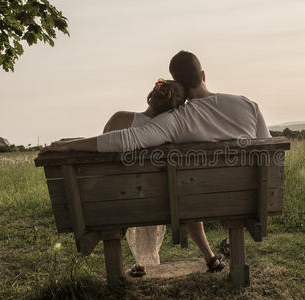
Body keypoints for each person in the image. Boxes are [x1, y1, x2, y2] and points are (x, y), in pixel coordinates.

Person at [40, 50, 271, 272]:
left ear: (178, 84)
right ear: (202, 75)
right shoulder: (248, 105)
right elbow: (267, 152)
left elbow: (127, 138)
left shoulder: (177, 120)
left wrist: (69, 144)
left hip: (199, 200)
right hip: (246, 199)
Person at [103, 79, 186, 277]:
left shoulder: (119, 118)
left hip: (111, 198)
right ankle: (143, 261)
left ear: (152, 97)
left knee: (136, 189)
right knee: (147, 191)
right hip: (158, 202)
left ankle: (134, 265)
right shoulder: (169, 131)